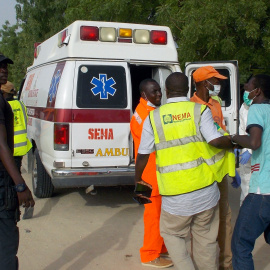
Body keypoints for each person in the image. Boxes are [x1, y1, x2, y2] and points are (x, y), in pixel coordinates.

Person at [135, 72, 235, 270]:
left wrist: (138, 181)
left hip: (175, 197)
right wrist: (237, 141)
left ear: (166, 91)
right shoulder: (200, 111)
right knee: (205, 240)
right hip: (205, 191)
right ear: (187, 90)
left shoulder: (153, 118)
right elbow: (215, 140)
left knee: (172, 234)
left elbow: (143, 154)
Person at [191, 66, 238, 270]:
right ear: (204, 83)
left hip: (219, 172)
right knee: (205, 223)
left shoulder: (215, 103)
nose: (218, 85)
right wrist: (234, 142)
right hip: (202, 174)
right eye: (215, 81)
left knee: (225, 219)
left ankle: (226, 264)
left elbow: (221, 130)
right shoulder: (191, 108)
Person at [130, 79, 173, 268]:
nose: (158, 94)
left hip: (151, 172)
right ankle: (149, 254)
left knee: (159, 214)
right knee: (154, 216)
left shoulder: (143, 111)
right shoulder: (147, 115)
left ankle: (160, 248)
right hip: (151, 174)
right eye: (154, 92)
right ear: (144, 95)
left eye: (159, 90)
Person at [230, 74, 270, 270]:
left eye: (249, 85)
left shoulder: (256, 108)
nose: (246, 87)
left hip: (263, 190)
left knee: (240, 243)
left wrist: (235, 138)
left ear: (258, 91)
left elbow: (254, 142)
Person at [0, 54, 35, 270]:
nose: (4, 70)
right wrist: (20, 184)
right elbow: (1, 144)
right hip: (3, 181)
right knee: (6, 243)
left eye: (5, 67)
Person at [1, 81, 32, 172]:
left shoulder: (4, 105)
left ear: (4, 92)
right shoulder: (20, 104)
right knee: (16, 172)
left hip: (7, 147)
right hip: (20, 147)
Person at [238, 101, 251, 206]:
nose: (245, 90)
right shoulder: (244, 107)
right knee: (245, 183)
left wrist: (250, 150)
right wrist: (239, 144)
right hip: (245, 151)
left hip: (255, 151)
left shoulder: (262, 108)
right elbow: (242, 128)